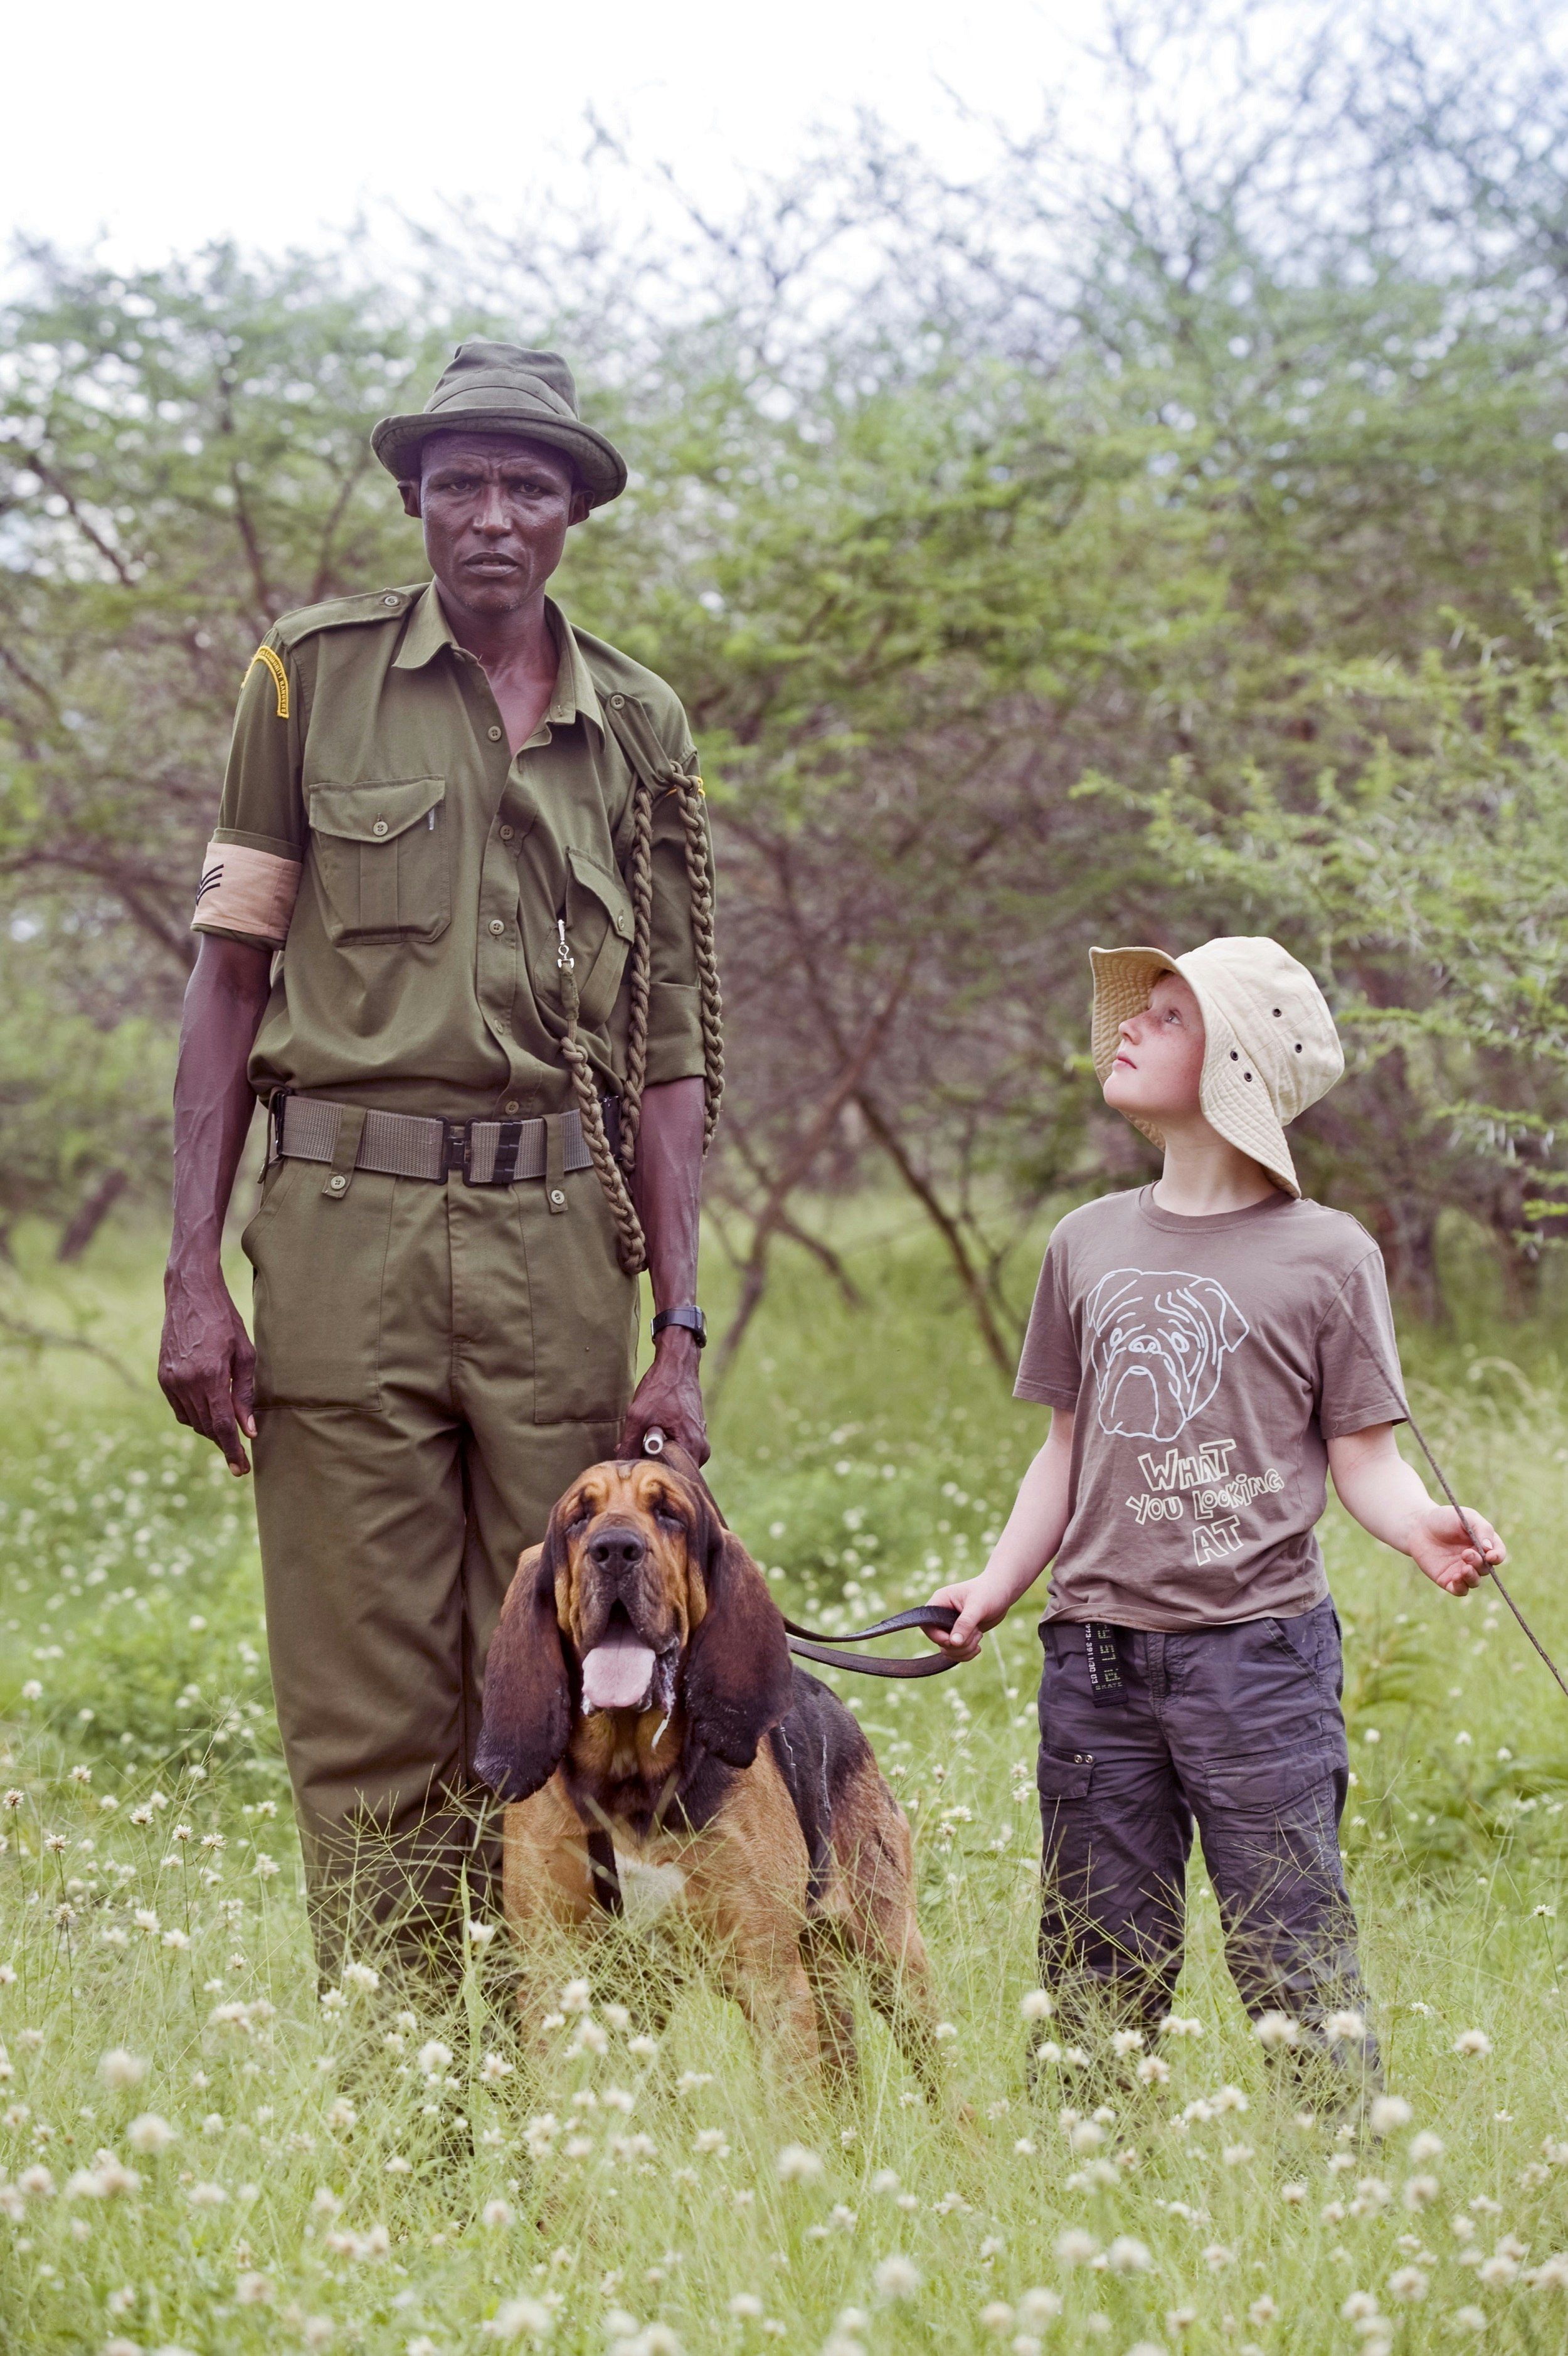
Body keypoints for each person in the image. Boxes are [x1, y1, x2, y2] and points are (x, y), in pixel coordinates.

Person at [157, 341, 721, 1979]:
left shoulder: (641, 723)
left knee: (578, 1674)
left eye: (526, 487)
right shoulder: (304, 678)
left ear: (570, 515)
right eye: (459, 482)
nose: (490, 515)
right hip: (342, 1232)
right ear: (414, 499)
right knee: (362, 1708)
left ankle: (584, 2089)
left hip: (561, 1236)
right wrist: (195, 1274)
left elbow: (674, 1050)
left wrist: (677, 1328)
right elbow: (230, 979)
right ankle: (415, 2110)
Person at [927, 937, 1504, 2071]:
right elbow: (1064, 1451)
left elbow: (1366, 1461)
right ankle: (1098, 2197)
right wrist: (995, 1589)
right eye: (1137, 1011)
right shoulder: (1083, 1242)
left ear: (1236, 1065)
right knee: (1096, 1970)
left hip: (1259, 1664)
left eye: (1171, 1016)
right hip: (1093, 1658)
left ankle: (1339, 2177)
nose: (1129, 1027)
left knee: (1295, 1956)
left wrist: (1421, 1522)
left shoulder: (1328, 1256)